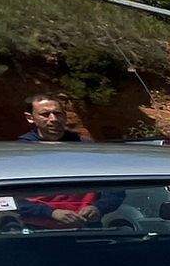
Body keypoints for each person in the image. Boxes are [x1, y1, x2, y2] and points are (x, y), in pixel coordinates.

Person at [13, 92, 123, 226]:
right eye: (45, 114)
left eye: (58, 113)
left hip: (87, 227)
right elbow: (4, 198)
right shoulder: (18, 154)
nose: (53, 119)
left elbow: (115, 188)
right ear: (30, 118)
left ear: (65, 116)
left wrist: (99, 208)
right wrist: (50, 213)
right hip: (37, 230)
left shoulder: (87, 149)